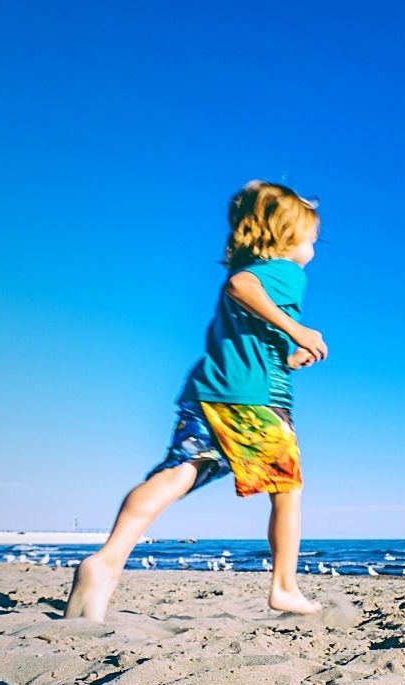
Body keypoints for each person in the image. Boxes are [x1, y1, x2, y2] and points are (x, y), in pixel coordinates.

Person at [65, 181, 328, 623]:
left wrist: (290, 354)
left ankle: (107, 558)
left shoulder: (257, 270)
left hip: (211, 390)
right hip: (255, 401)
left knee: (178, 472)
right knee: (287, 490)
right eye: (311, 240)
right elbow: (241, 287)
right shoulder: (283, 271)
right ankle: (284, 587)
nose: (313, 250)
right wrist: (299, 330)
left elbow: (254, 334)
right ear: (286, 236)